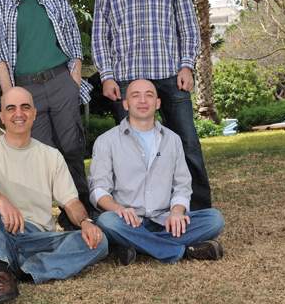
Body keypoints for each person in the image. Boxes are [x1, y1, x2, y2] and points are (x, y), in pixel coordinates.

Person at [92, 0, 212, 210]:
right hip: (126, 78)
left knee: (186, 144)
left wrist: (187, 65)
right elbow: (100, 33)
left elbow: (187, 24)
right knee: (128, 151)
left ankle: (196, 214)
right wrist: (106, 75)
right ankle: (132, 216)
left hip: (170, 74)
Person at [0, 87, 107, 304]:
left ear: (34, 113)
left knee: (100, 242)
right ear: (2, 116)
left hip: (38, 240)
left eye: (25, 107)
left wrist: (85, 222)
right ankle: (1, 273)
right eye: (11, 108)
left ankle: (24, 271)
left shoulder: (51, 156)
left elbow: (71, 201)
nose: (19, 113)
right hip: (0, 234)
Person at [0, 0, 94, 227]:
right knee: (43, 154)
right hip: (26, 89)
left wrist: (73, 80)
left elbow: (73, 41)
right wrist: (10, 94)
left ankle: (82, 217)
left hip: (60, 81)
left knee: (71, 148)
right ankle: (43, 219)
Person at [90, 79, 224, 265]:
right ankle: (181, 250)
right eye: (135, 96)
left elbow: (182, 185)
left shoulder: (173, 140)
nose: (143, 100)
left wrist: (177, 212)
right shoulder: (106, 141)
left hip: (165, 220)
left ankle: (136, 245)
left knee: (214, 219)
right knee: (108, 222)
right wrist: (119, 209)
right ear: (126, 104)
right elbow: (98, 190)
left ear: (158, 103)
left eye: (149, 95)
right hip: (128, 221)